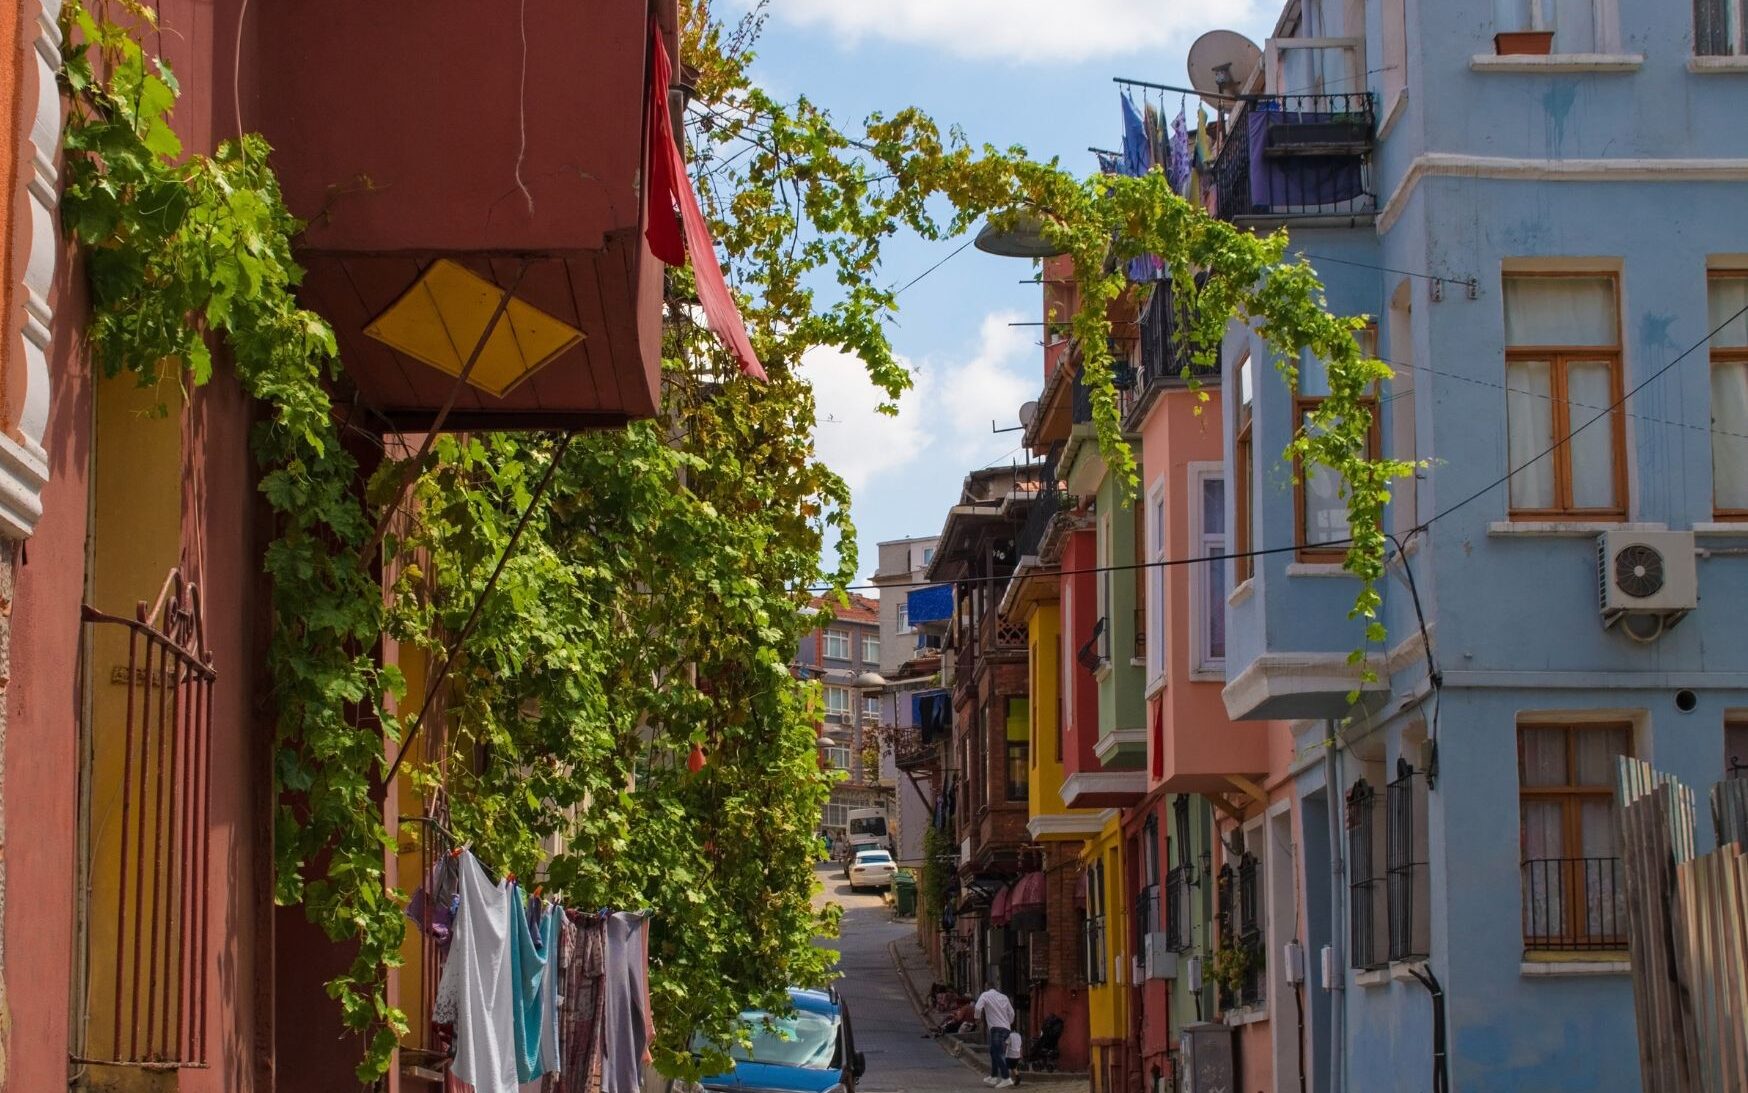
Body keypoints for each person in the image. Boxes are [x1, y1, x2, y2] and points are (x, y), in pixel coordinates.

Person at [973, 979, 1015, 1088]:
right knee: (993, 1051)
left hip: (996, 1029)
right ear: (995, 987)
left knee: (998, 1053)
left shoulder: (985, 995)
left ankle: (1006, 1078)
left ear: (986, 987)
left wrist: (977, 1018)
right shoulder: (1004, 997)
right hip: (1006, 1028)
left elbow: (978, 1007)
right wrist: (1008, 1023)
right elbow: (1012, 1013)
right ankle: (994, 1076)